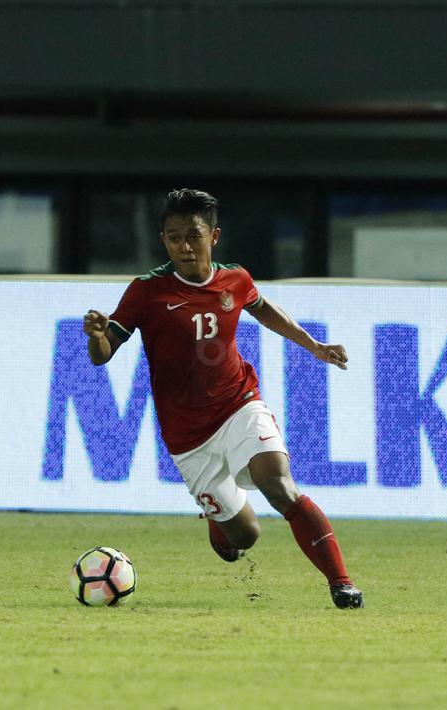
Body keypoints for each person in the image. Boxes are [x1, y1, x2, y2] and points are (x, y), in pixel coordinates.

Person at [83, 188, 364, 609]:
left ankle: (342, 583)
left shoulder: (235, 279)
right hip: (188, 437)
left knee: (278, 484)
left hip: (238, 405)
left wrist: (314, 345)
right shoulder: (147, 291)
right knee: (244, 537)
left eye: (193, 236)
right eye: (174, 237)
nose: (184, 246)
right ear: (163, 240)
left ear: (213, 237)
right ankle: (221, 524)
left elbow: (263, 308)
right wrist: (97, 336)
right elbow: (102, 356)